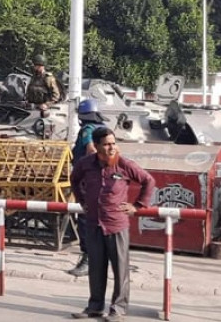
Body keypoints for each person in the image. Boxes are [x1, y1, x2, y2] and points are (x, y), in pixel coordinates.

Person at [70, 127, 155, 322]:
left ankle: (118, 310)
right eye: (107, 144)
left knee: (120, 269)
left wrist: (138, 206)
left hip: (116, 224)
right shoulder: (86, 164)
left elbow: (148, 181)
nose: (112, 148)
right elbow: (74, 180)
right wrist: (81, 200)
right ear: (97, 146)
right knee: (96, 268)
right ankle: (95, 307)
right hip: (94, 224)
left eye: (113, 143)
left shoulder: (124, 164)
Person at [68, 99, 108, 278]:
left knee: (85, 219)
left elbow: (91, 150)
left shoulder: (87, 131)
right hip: (102, 181)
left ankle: (88, 258)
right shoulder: (103, 129)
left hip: (87, 181)